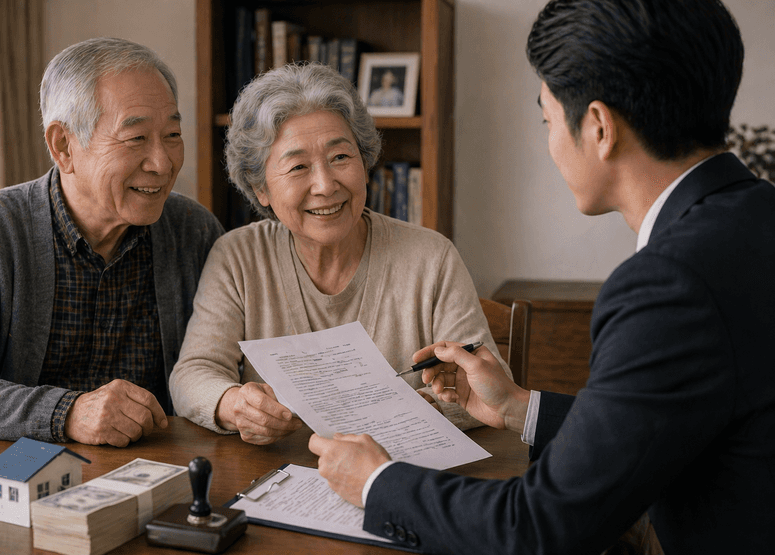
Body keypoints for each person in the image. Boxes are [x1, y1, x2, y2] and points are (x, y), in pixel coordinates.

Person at [308, 0, 775, 553]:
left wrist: (376, 481)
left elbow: (538, 527)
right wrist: (518, 406)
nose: (549, 142)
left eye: (548, 120)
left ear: (599, 128)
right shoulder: (756, 217)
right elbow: (667, 421)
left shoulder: (669, 285)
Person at [169, 62, 509, 445]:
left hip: (395, 475)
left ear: (364, 161)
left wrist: (430, 407)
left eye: (341, 158)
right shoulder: (237, 258)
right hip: (278, 479)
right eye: (298, 166)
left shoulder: (431, 258)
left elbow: (486, 385)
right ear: (260, 188)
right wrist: (233, 404)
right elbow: (193, 373)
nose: (325, 185)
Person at [0, 37, 223, 447]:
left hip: (159, 477)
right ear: (64, 145)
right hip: (21, 479)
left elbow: (220, 367)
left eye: (173, 134)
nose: (163, 163)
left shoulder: (194, 233)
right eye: (136, 139)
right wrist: (68, 413)